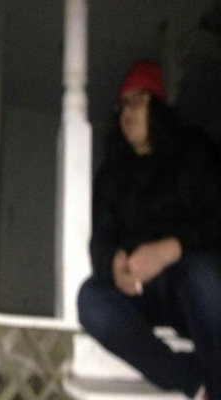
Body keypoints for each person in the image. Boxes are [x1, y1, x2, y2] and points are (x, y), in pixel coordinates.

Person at [78, 60, 221, 399]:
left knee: (203, 273)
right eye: (123, 104)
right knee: (90, 300)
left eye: (138, 99)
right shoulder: (112, 173)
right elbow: (101, 240)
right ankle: (194, 381)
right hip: (140, 292)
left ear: (157, 105)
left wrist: (171, 249)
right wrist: (114, 265)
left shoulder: (194, 151)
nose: (127, 111)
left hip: (191, 287)